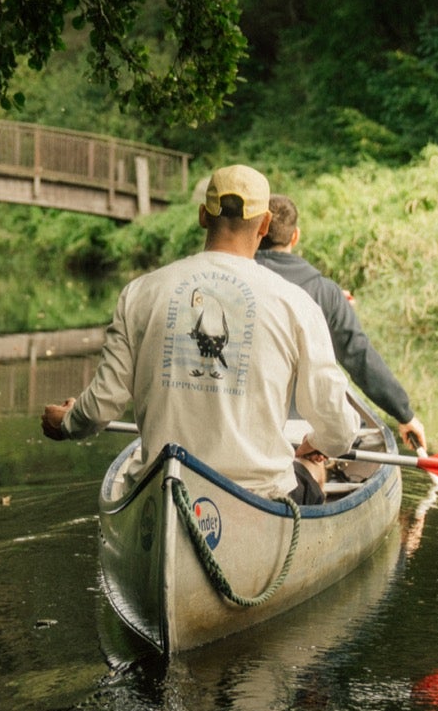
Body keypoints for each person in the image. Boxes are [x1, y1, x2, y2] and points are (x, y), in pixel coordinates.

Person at [41, 164, 362, 505]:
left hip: (162, 488)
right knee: (311, 471)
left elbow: (98, 409)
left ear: (202, 216)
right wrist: (317, 445)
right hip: (259, 497)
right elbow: (340, 431)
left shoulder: (140, 292)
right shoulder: (297, 304)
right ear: (265, 224)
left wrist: (68, 422)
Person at [255, 192, 429, 452]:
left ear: (257, 231)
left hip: (245, 428)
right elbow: (359, 356)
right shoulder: (326, 293)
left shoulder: (232, 283)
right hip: (300, 430)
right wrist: (404, 413)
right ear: (295, 236)